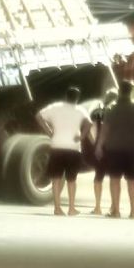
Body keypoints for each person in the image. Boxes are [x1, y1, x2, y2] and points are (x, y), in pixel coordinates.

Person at [95, 81, 134, 219]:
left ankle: (116, 211)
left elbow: (105, 130)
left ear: (119, 92)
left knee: (114, 179)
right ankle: (133, 212)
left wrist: (99, 146)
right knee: (132, 181)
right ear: (130, 92)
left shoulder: (111, 109)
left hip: (114, 149)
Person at [37, 86, 92, 216]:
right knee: (71, 180)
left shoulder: (56, 107)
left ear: (66, 96)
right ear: (77, 98)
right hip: (73, 148)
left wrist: (49, 131)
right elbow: (89, 123)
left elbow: (38, 116)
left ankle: (57, 208)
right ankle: (71, 209)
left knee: (56, 178)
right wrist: (82, 136)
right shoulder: (80, 110)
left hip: (57, 146)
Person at [89, 89, 117, 215]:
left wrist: (95, 144)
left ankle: (98, 207)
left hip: (102, 147)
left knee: (98, 177)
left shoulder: (97, 112)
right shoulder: (118, 112)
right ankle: (113, 206)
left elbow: (92, 130)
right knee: (114, 178)